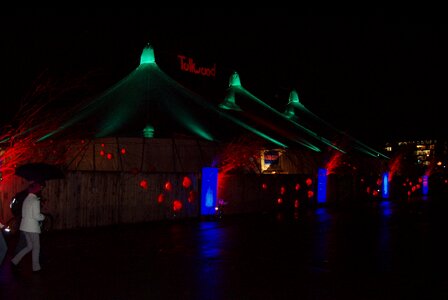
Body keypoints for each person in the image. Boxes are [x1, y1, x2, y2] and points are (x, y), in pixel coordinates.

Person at [11, 181, 46, 272]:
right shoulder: (35, 200)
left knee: (29, 246)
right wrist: (43, 217)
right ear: (37, 190)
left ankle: (14, 261)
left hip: (24, 227)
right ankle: (36, 268)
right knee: (36, 247)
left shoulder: (26, 199)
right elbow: (36, 216)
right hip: (32, 228)